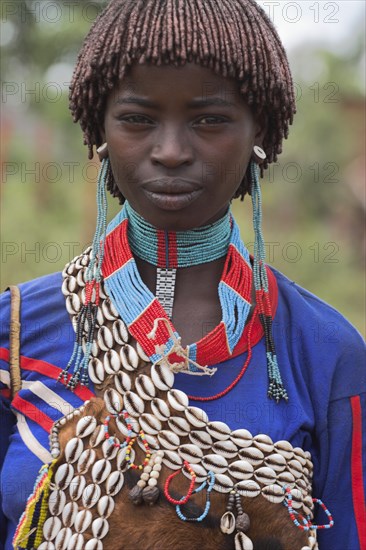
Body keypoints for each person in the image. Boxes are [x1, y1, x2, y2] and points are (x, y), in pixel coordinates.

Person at [0, 1, 365, 549]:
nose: (171, 152)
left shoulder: (326, 352)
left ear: (259, 129)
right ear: (100, 127)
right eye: (138, 119)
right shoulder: (17, 333)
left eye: (209, 119)